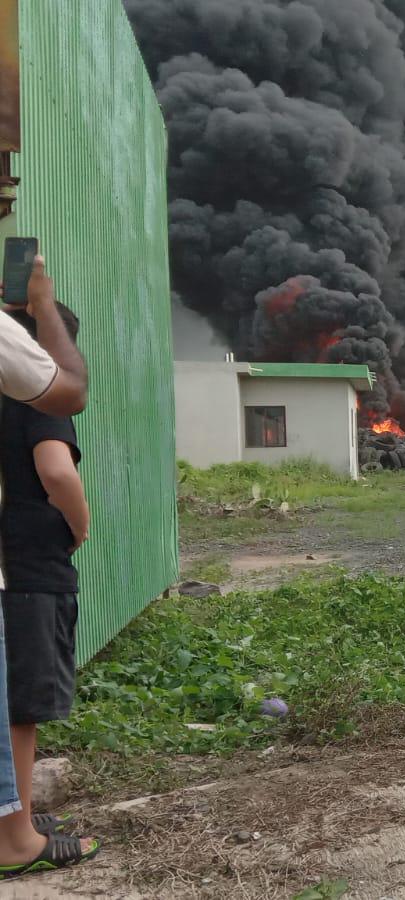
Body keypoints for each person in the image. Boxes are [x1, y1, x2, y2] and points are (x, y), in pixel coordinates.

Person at [0, 253, 96, 877]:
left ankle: (19, 818)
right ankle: (17, 840)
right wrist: (80, 528)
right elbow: (56, 470)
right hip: (29, 565)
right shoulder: (37, 393)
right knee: (22, 703)